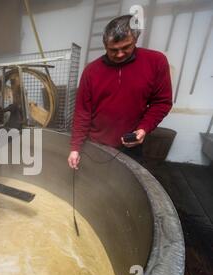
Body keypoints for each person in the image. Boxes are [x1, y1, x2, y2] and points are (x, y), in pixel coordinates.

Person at [67, 15, 172, 169]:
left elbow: (161, 102)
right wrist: (75, 148)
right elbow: (83, 112)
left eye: (126, 47)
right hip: (95, 144)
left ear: (135, 40)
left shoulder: (156, 62)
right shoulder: (91, 71)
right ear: (105, 45)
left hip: (131, 145)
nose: (120, 54)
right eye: (113, 50)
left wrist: (144, 128)